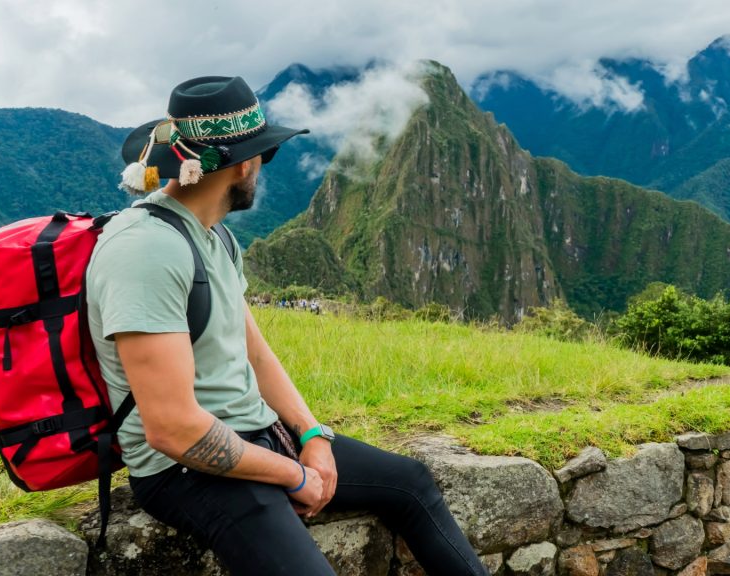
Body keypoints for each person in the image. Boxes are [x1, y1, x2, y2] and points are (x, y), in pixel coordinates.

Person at [86, 76, 489, 576]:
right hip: (186, 470)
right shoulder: (145, 250)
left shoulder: (215, 239)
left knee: (411, 484)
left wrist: (313, 436)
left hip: (258, 433)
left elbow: (255, 354)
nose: (263, 167)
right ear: (245, 164)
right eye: (265, 155)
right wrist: (294, 475)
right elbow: (172, 429)